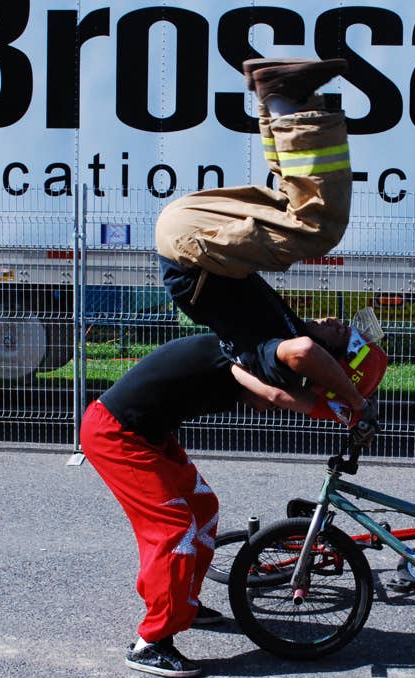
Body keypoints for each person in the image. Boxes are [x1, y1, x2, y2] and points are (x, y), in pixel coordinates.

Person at [80, 319, 385, 678]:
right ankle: (151, 642)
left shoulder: (270, 350)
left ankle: (184, 606)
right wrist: (349, 411)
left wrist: (343, 404)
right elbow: (274, 395)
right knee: (174, 529)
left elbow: (275, 396)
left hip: (150, 435)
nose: (331, 322)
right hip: (117, 434)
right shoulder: (250, 348)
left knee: (204, 507)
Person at [155, 57, 376, 432]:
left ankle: (281, 96)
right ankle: (275, 96)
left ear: (330, 360)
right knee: (297, 197)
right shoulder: (285, 327)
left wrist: (355, 402)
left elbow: (300, 360)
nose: (339, 323)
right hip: (190, 232)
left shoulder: (276, 357)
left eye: (342, 335)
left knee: (318, 228)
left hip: (189, 246)